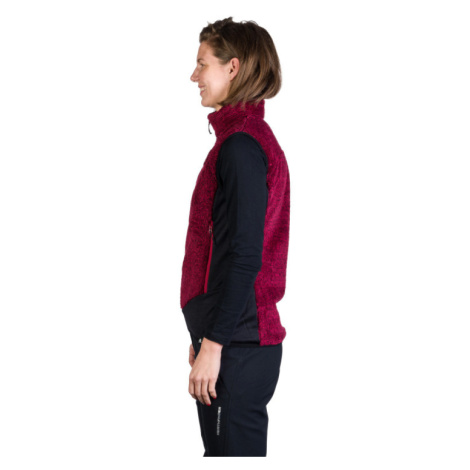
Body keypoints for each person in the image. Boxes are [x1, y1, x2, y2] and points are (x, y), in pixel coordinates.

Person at [180, 17, 290, 457]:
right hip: (232, 342)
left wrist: (215, 343)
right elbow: (222, 248)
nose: (194, 76)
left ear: (233, 67)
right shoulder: (240, 140)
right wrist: (207, 337)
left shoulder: (241, 146)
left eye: (202, 63)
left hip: (238, 347)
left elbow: (245, 256)